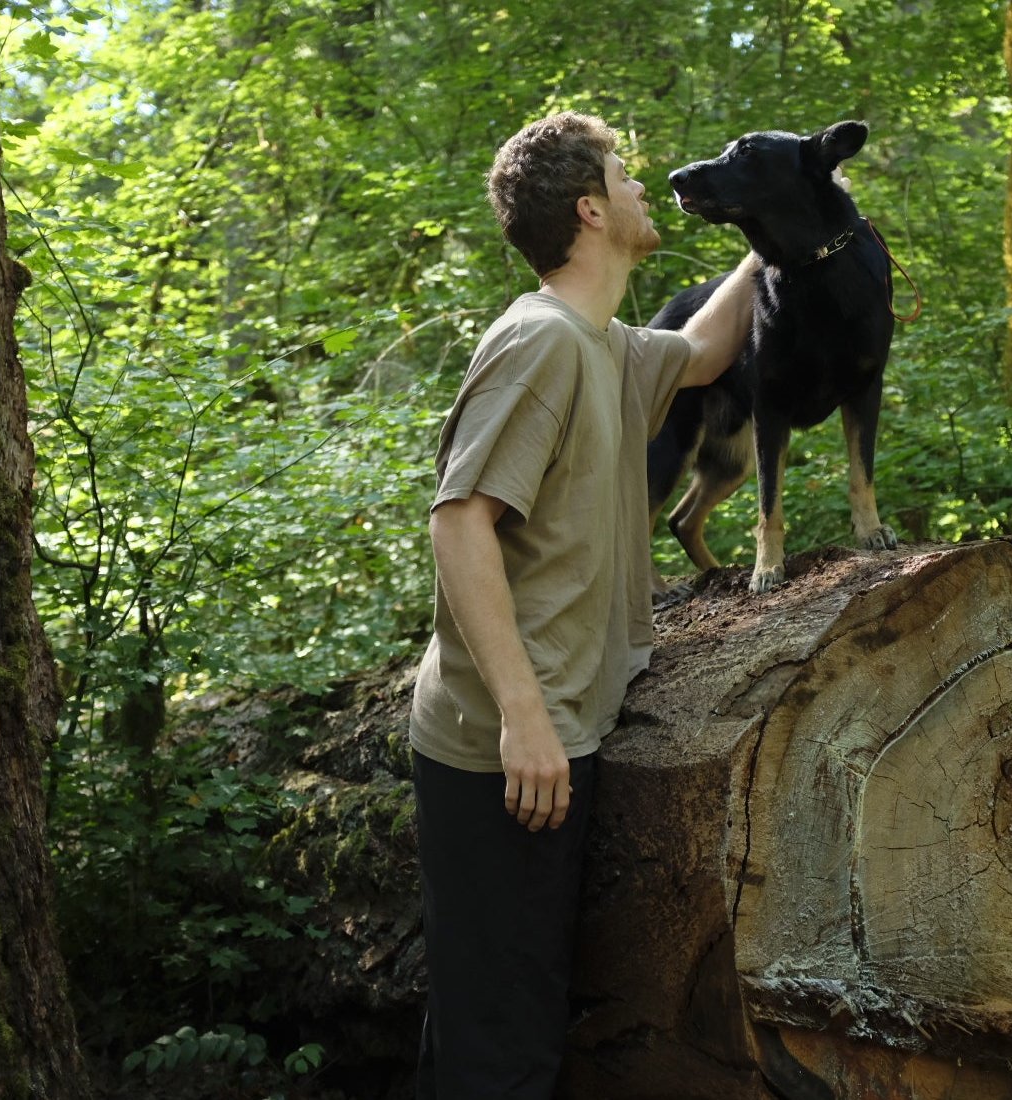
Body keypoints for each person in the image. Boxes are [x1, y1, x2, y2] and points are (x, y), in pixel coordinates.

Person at [407, 111, 760, 1099]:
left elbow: (703, 350)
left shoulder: (604, 346)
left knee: (497, 1017)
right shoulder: (543, 341)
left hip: (552, 732)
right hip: (501, 751)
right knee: (506, 1049)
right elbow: (459, 523)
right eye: (625, 174)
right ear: (592, 209)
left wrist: (769, 231)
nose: (645, 187)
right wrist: (525, 714)